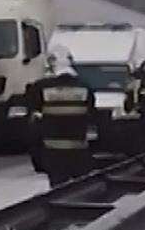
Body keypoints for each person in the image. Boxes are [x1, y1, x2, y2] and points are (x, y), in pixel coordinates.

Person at [29, 46, 96, 187]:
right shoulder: (85, 88)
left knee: (58, 190)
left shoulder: (41, 88)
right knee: (81, 189)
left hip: (53, 153)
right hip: (79, 152)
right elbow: (91, 117)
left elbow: (34, 121)